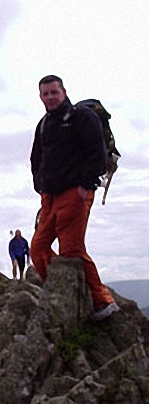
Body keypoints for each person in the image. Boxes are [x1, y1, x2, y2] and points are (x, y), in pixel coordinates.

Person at [30, 75, 119, 321]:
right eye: (45, 93)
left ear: (63, 91)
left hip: (75, 193)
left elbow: (96, 155)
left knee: (71, 249)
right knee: (37, 248)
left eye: (53, 92)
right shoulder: (44, 124)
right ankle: (66, 292)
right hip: (50, 196)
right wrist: (40, 186)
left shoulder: (83, 117)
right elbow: (36, 158)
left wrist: (83, 187)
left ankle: (102, 301)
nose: (50, 97)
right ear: (40, 96)